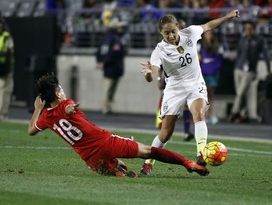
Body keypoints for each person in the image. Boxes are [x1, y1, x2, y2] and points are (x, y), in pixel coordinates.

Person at [27, 73, 209, 178]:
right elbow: (67, 109)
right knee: (148, 151)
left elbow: (31, 131)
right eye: (60, 89)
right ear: (58, 94)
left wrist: (37, 109)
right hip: (105, 142)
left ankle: (117, 169)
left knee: (116, 168)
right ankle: (187, 163)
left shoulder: (45, 118)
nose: (63, 91)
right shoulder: (67, 103)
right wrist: (69, 109)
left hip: (89, 159)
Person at [140, 9, 240, 175]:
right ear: (161, 33)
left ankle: (201, 153)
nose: (171, 35)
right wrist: (149, 74)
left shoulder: (191, 33)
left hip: (195, 84)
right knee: (165, 134)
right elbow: (155, 73)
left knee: (199, 114)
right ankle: (148, 162)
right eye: (166, 33)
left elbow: (208, 25)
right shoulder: (159, 50)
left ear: (178, 28)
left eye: (173, 31)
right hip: (174, 89)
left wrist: (228, 17)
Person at [155, 19, 194, 141]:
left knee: (187, 107)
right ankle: (164, 131)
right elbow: (159, 66)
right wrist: (158, 79)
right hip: (171, 83)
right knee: (169, 110)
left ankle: (187, 132)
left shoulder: (188, 42)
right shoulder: (164, 46)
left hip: (188, 82)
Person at [228, 20, 271, 123]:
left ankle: (234, 112)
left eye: (250, 29)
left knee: (240, 93)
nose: (247, 31)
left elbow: (265, 55)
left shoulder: (259, 40)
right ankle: (243, 114)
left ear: (254, 29)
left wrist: (268, 69)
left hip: (250, 70)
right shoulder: (242, 39)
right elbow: (239, 53)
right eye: (246, 29)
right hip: (239, 68)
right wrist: (235, 66)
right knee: (241, 94)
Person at [96, 17, 126, 115]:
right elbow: (114, 53)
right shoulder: (115, 39)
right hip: (113, 67)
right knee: (108, 89)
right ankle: (106, 108)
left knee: (109, 89)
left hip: (108, 67)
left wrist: (100, 62)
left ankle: (108, 107)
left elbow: (98, 52)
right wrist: (104, 63)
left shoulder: (105, 38)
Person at [199, 30, 223, 125]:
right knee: (204, 95)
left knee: (210, 95)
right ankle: (204, 115)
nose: (209, 36)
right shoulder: (200, 46)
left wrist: (215, 69)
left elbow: (219, 60)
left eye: (210, 34)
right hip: (203, 73)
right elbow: (199, 59)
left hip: (213, 73)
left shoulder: (217, 46)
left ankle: (210, 114)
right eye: (207, 34)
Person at [0, 19, 14, 121]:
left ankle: (3, 113)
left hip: (5, 69)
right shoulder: (6, 37)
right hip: (3, 69)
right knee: (4, 91)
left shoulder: (6, 37)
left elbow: (8, 54)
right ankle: (2, 113)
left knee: (5, 91)